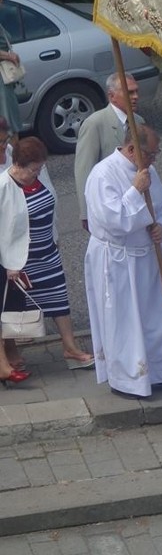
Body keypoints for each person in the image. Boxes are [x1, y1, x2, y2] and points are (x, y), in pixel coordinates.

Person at [84, 125, 162, 399]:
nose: (154, 160)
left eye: (155, 154)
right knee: (125, 320)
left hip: (149, 257)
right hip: (118, 260)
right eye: (151, 154)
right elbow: (113, 219)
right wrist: (134, 190)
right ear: (132, 149)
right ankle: (128, 380)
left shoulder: (149, 171)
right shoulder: (102, 174)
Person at [3, 137, 94, 370]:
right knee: (16, 310)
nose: (38, 173)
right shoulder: (4, 185)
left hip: (48, 252)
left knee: (59, 300)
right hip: (23, 259)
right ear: (19, 164)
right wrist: (9, 265)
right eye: (34, 169)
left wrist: (54, 237)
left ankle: (70, 347)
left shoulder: (39, 175)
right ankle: (9, 355)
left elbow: (51, 205)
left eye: (41, 167)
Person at [75, 73, 145, 232]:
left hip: (135, 200)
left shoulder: (139, 122)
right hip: (108, 203)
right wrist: (85, 212)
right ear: (112, 96)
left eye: (136, 92)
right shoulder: (95, 123)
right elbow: (84, 169)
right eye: (129, 93)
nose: (136, 97)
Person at [0, 119, 30, 387]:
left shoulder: (8, 154)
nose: (3, 149)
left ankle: (9, 351)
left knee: (8, 302)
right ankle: (2, 364)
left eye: (4, 142)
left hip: (6, 239)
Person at [0, 0, 22, 138]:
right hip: (1, 80)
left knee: (9, 119)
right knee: (8, 121)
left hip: (4, 78)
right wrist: (8, 56)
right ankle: (13, 157)